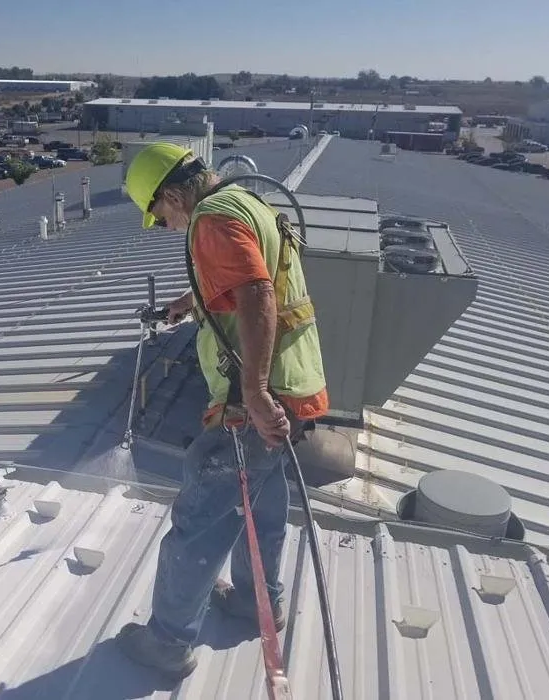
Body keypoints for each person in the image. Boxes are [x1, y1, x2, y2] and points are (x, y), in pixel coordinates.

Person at [116, 143, 329, 680]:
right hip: (293, 386)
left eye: (161, 215)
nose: (164, 226)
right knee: (265, 501)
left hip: (252, 400)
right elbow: (242, 280)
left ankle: (167, 643)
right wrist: (182, 305)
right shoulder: (243, 202)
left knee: (200, 518)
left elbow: (257, 294)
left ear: (171, 194)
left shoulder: (210, 221)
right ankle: (261, 601)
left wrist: (253, 393)